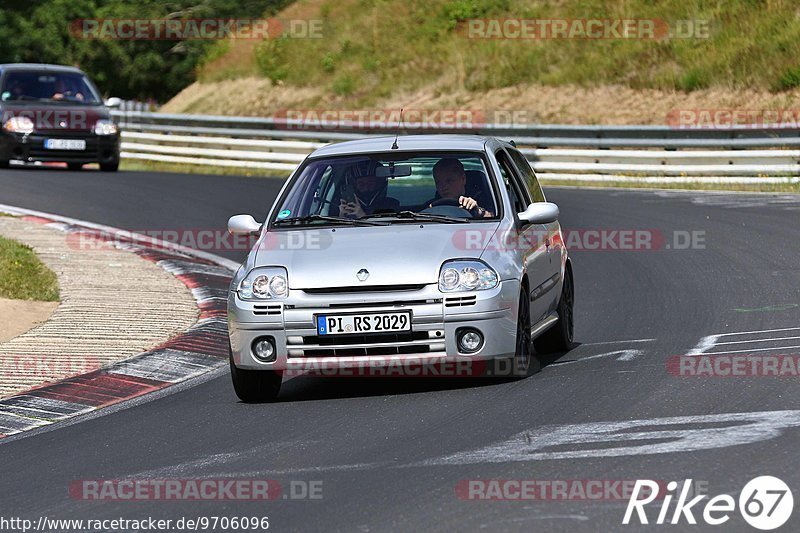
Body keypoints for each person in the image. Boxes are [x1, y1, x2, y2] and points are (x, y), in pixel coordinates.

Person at [425, 158, 493, 217]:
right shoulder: (430, 206)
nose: (443, 187)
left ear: (463, 179)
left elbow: (495, 219)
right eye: (438, 182)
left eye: (449, 181)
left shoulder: (486, 199)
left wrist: (479, 212)